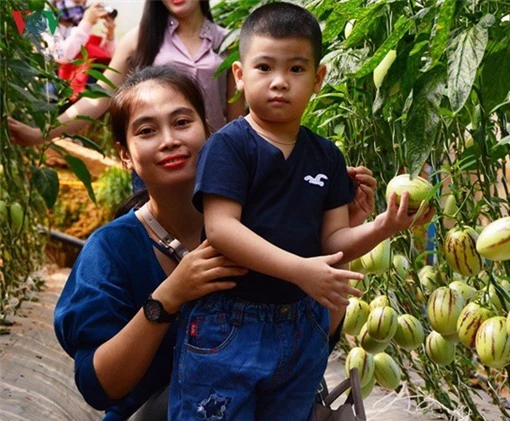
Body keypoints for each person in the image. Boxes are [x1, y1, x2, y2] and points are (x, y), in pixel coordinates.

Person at [53, 65, 376, 421]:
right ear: (124, 154)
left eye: (181, 122)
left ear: (210, 132)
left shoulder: (270, 229)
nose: (169, 140)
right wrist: (169, 297)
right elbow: (99, 386)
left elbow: (316, 338)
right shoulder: (111, 251)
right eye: (147, 130)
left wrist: (339, 236)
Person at [168, 3, 434, 420]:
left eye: (295, 69)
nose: (279, 82)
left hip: (299, 325)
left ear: (318, 79)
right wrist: (300, 270)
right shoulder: (229, 147)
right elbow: (221, 229)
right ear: (240, 76)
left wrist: (385, 225)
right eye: (264, 67)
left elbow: (333, 241)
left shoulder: (326, 156)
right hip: (228, 325)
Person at [9, 0, 245, 147]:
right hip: (158, 162)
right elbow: (97, 99)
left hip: (213, 163)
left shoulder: (226, 43)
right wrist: (39, 134)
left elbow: (236, 119)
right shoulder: (139, 39)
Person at [50, 0, 117, 101]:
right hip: (50, 78)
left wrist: (110, 37)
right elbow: (61, 55)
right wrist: (86, 23)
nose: (81, 4)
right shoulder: (47, 17)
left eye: (83, 2)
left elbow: (109, 58)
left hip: (80, 81)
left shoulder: (82, 19)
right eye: (76, 2)